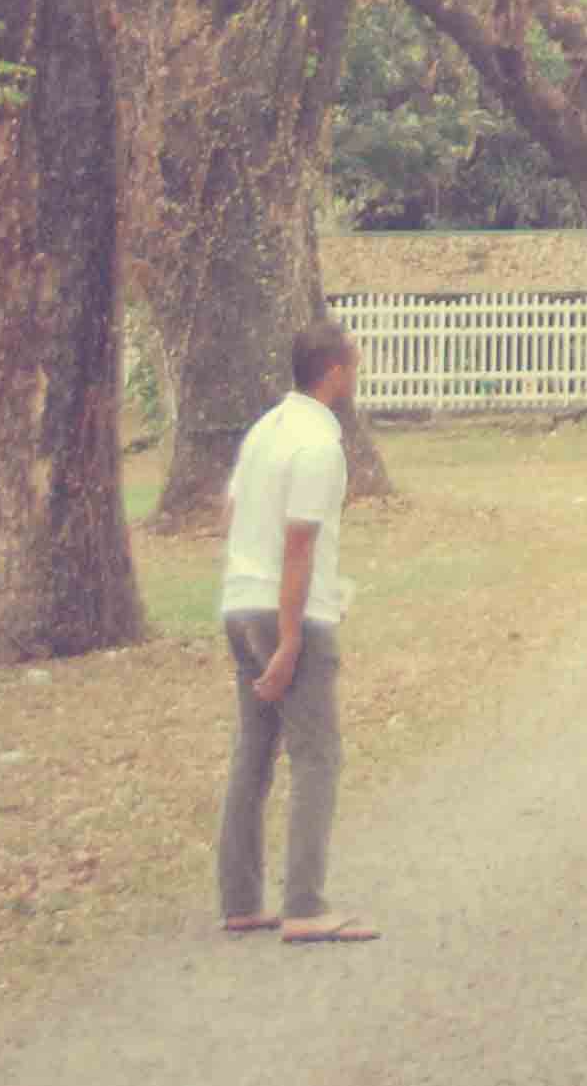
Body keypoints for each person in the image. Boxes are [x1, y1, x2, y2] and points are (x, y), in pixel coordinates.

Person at [216, 319, 378, 945]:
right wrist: (289, 640)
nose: (356, 375)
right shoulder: (319, 446)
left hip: (239, 602)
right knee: (317, 755)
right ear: (334, 372)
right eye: (353, 364)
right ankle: (305, 904)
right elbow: (300, 545)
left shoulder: (265, 431)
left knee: (254, 750)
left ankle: (240, 899)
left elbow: (230, 508)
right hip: (290, 611)